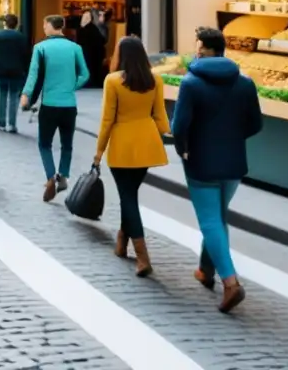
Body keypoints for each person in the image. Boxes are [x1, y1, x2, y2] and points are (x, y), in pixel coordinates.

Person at [171, 27, 263, 314]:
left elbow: (179, 126)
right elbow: (256, 124)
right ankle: (205, 269)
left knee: (210, 221)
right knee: (218, 217)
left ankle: (231, 282)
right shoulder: (245, 83)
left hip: (201, 162)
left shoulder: (191, 83)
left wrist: (183, 149)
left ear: (205, 50)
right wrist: (232, 140)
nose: (195, 50)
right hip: (234, 163)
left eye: (197, 45)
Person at [92, 37, 170, 277]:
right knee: (130, 194)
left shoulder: (113, 81)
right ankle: (121, 242)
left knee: (128, 198)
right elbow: (161, 118)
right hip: (147, 145)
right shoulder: (155, 79)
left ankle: (143, 257)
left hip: (122, 146)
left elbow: (107, 120)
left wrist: (98, 152)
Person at [21, 15, 89, 202]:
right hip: (69, 105)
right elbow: (85, 74)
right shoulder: (75, 48)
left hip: (49, 104)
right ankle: (64, 176)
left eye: (44, 24)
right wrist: (72, 86)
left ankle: (51, 176)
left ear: (52, 26)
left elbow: (33, 75)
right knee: (67, 144)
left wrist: (26, 95)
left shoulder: (40, 48)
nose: (43, 27)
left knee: (44, 144)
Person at [0, 14, 30, 133]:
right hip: (17, 69)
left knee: (3, 94)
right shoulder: (21, 37)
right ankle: (12, 124)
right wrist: (26, 69)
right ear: (16, 24)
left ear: (4, 23)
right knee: (14, 96)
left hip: (1, 69)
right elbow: (25, 55)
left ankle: (2, 122)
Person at [78, 8, 109, 88]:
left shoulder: (82, 29)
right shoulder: (94, 29)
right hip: (95, 54)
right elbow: (102, 40)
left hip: (87, 53)